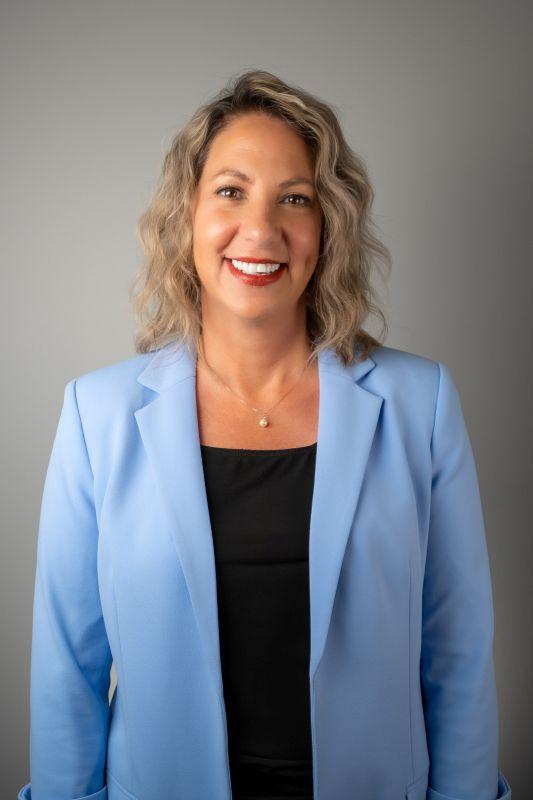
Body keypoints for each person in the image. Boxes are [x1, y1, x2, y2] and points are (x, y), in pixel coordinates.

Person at [18, 70, 512, 800]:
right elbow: (67, 668)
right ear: (186, 216)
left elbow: (458, 652)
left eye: (294, 198)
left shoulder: (419, 402)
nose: (261, 228)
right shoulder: (98, 416)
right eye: (230, 191)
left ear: (326, 226)